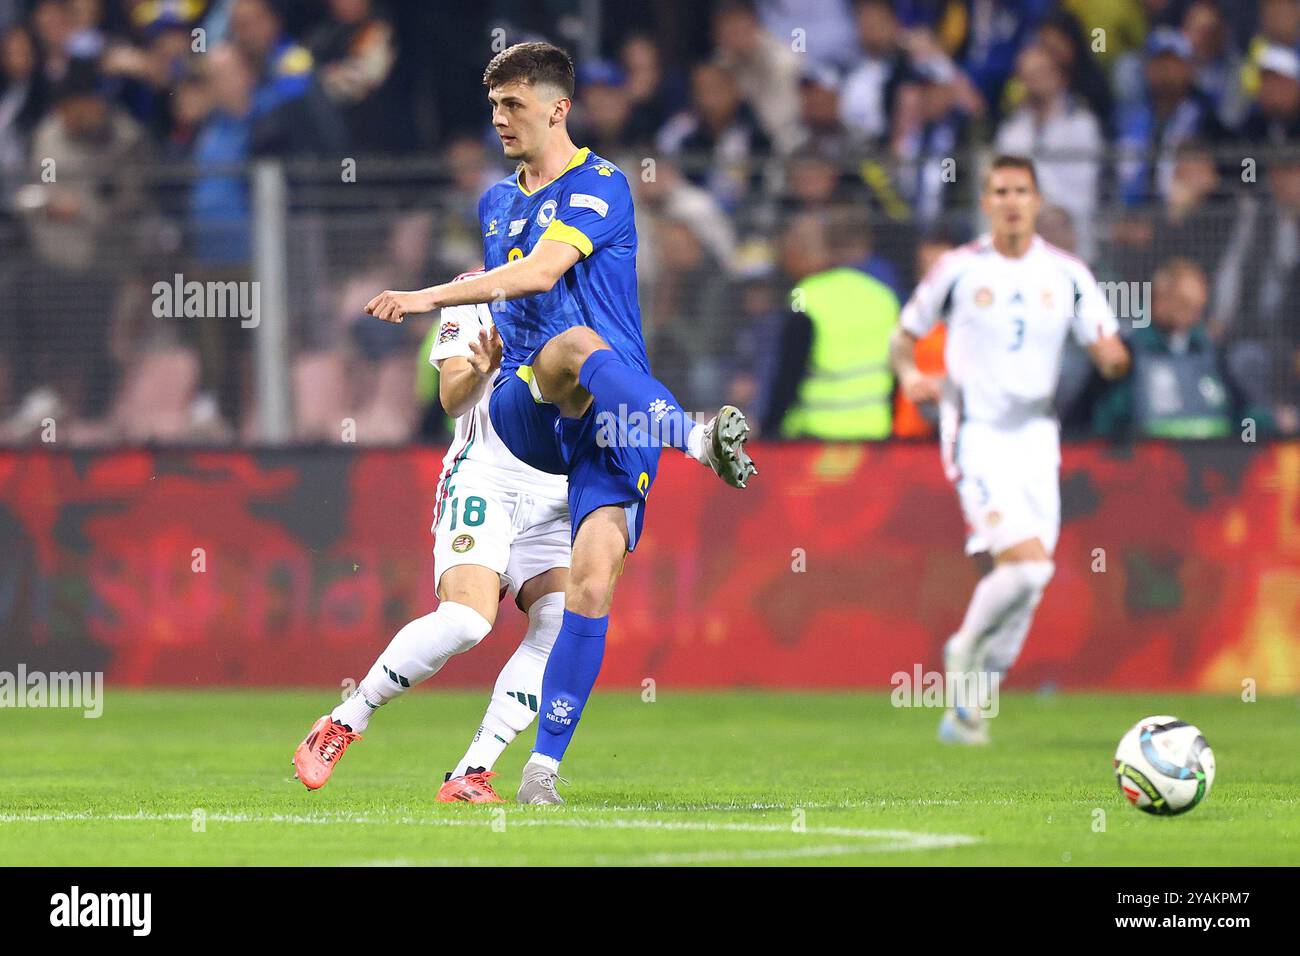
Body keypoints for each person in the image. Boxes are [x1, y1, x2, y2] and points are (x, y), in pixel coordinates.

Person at [364, 42, 755, 804]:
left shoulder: (603, 185)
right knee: (567, 347)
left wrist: (425, 296)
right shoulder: (495, 201)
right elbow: (510, 300)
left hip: (616, 412)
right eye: (494, 107)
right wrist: (471, 350)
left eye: (513, 104)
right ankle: (699, 439)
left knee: (592, 585)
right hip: (533, 407)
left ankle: (540, 770)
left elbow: (542, 271)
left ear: (557, 107)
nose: (500, 119)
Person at [293, 273, 570, 803]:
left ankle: (471, 771)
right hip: (486, 479)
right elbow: (451, 398)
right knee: (467, 621)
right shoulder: (471, 291)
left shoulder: (587, 294)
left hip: (556, 490)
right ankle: (347, 720)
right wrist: (482, 370)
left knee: (556, 625)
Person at [889, 155, 1130, 745]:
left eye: (1022, 190)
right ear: (987, 203)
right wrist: (909, 375)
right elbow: (904, 335)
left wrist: (1113, 358)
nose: (1013, 201)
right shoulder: (959, 268)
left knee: (1030, 582)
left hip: (1036, 437)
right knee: (1027, 565)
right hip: (976, 432)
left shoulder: (1068, 273)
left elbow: (1109, 344)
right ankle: (963, 647)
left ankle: (970, 710)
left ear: (1038, 200)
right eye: (1001, 191)